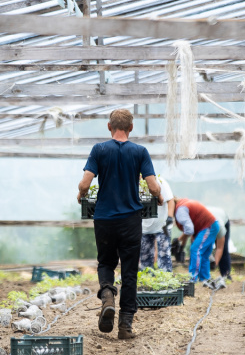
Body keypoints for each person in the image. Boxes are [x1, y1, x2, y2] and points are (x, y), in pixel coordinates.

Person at [77, 109, 163, 340]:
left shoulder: (99, 150)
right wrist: (160, 197)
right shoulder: (140, 152)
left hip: (104, 218)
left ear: (109, 127)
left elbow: (86, 182)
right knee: (129, 271)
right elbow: (153, 187)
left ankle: (107, 295)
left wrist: (81, 193)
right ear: (131, 128)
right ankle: (125, 326)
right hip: (130, 221)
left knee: (106, 262)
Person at [173, 197, 229, 284]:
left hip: (208, 226)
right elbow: (190, 229)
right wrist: (181, 245)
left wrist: (179, 241)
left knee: (196, 249)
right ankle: (205, 278)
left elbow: (189, 230)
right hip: (209, 226)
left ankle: (192, 278)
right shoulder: (183, 204)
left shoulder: (180, 210)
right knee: (204, 253)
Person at [139, 175, 176, 272]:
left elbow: (170, 200)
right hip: (144, 227)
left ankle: (165, 281)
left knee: (164, 256)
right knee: (145, 258)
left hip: (162, 226)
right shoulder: (133, 184)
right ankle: (148, 283)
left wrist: (170, 217)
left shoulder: (160, 181)